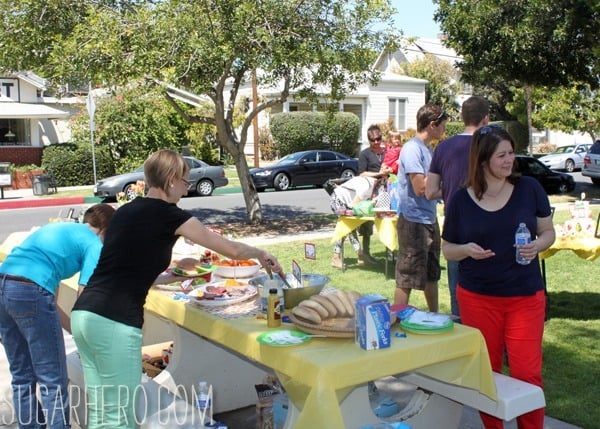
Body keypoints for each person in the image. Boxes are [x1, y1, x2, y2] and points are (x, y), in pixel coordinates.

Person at [70, 149, 284, 429]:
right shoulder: (170, 216)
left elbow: (126, 271)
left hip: (85, 316)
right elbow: (230, 249)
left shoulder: (124, 212)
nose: (186, 188)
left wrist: (174, 276)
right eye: (185, 181)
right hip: (114, 323)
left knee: (102, 411)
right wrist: (260, 253)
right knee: (120, 418)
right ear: (171, 180)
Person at [442, 125, 555, 429]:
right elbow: (447, 249)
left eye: (511, 153)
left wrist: (538, 245)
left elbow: (548, 232)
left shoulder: (529, 188)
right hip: (478, 298)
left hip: (525, 297)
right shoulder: (461, 200)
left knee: (527, 374)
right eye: (502, 155)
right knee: (487, 373)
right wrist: (465, 248)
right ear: (483, 160)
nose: (510, 160)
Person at [0, 203, 115, 429]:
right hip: (30, 289)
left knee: (22, 375)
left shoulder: (62, 231)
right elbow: (85, 298)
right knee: (52, 379)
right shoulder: (94, 244)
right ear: (106, 230)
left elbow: (50, 302)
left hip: (3, 285)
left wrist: (75, 331)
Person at [426, 95, 490, 318]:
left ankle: (463, 340)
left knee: (458, 293)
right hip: (489, 222)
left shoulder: (443, 148)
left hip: (455, 226)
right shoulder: (489, 145)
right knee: (491, 294)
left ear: (462, 118)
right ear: (486, 119)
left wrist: (453, 187)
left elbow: (430, 191)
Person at [395, 104, 448, 311]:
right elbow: (421, 188)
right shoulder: (412, 149)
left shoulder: (428, 149)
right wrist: (452, 188)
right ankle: (395, 321)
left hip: (429, 219)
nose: (444, 129)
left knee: (431, 273)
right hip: (413, 222)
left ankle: (434, 316)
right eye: (443, 125)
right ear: (432, 124)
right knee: (406, 276)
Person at [329, 175, 378, 268]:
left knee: (349, 228)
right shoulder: (366, 186)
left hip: (345, 203)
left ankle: (359, 255)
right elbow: (354, 205)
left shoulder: (369, 183)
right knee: (345, 227)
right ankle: (337, 257)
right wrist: (370, 204)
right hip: (338, 201)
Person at [358, 124, 387, 263]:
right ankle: (365, 253)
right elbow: (362, 173)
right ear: (368, 140)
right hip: (370, 192)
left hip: (386, 190)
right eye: (373, 140)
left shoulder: (386, 152)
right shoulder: (365, 154)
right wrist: (379, 174)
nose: (376, 142)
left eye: (378, 139)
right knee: (367, 224)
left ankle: (390, 252)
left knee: (387, 220)